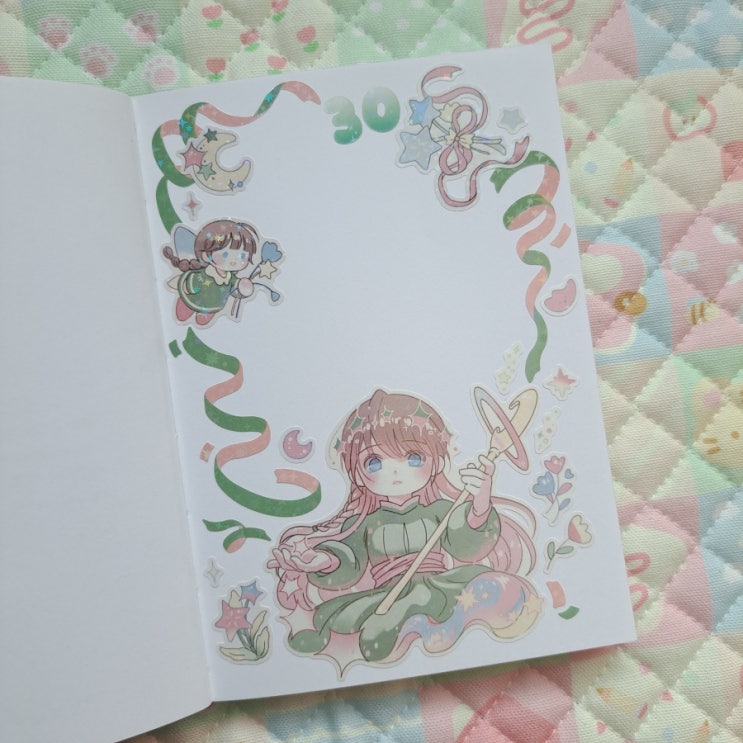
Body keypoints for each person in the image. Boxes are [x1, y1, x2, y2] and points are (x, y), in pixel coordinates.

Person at [269, 389, 541, 668]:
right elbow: (349, 556)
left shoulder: (440, 510)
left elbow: (465, 543)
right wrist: (321, 560)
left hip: (442, 585)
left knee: (496, 588)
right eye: (374, 462)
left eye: (413, 458)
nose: (395, 472)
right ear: (358, 475)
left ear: (436, 462)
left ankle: (445, 631)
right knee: (372, 632)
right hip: (389, 594)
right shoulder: (365, 523)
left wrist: (481, 502)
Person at [163, 219, 258, 325]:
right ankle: (186, 306)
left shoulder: (230, 278)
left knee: (202, 321)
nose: (233, 261)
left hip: (213, 306)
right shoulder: (205, 274)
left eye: (242, 255)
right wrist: (189, 288)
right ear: (205, 255)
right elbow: (193, 282)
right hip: (192, 299)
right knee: (181, 316)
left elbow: (234, 289)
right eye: (225, 254)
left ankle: (205, 313)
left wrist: (243, 286)